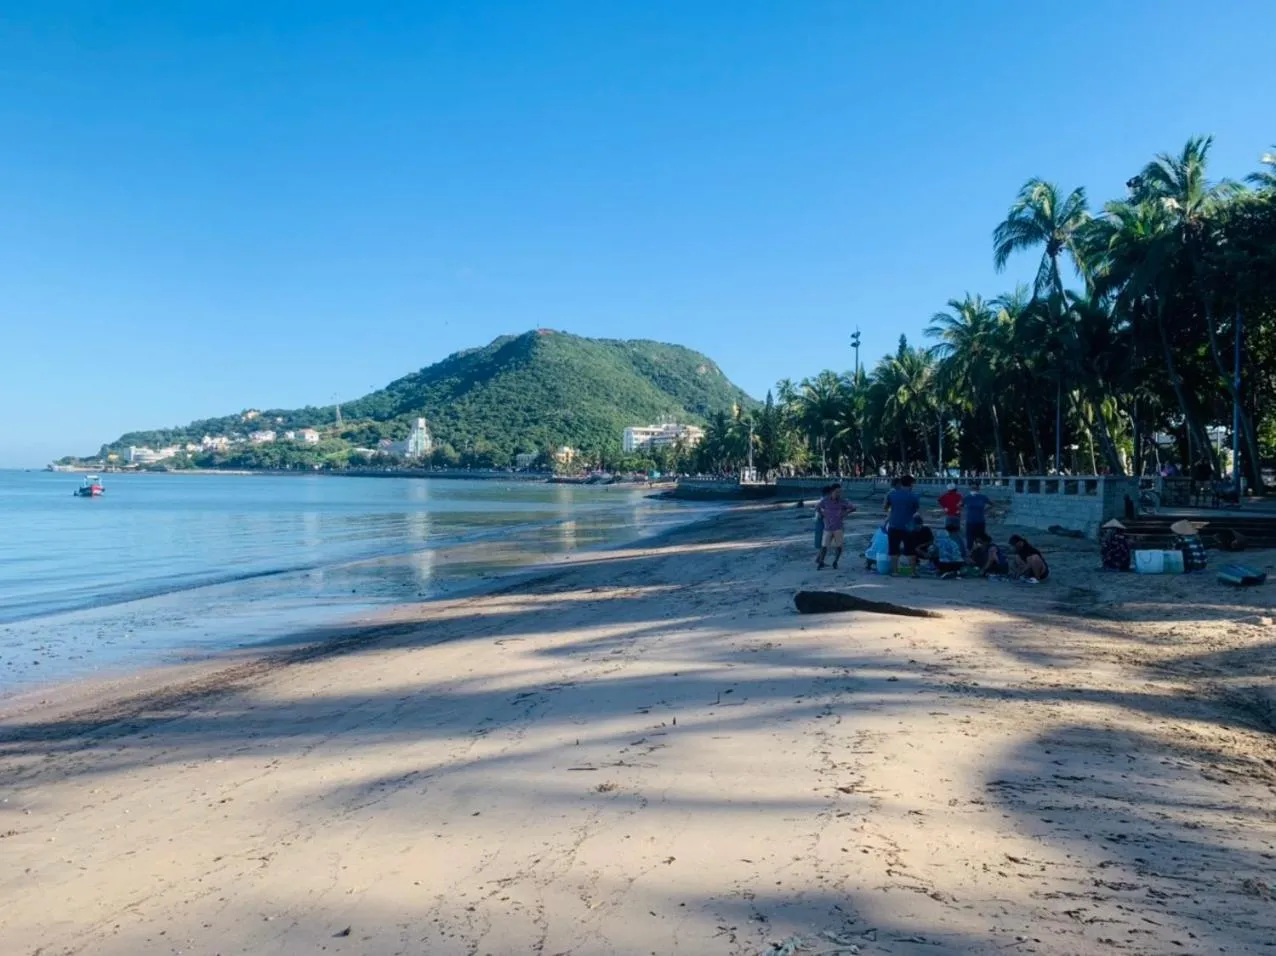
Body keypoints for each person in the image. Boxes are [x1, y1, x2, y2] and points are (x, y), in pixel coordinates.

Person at [884, 475, 921, 574]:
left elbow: (886, 508)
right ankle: (913, 573)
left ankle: (895, 572)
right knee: (910, 550)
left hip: (893, 525)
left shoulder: (891, 495)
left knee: (894, 550)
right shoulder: (914, 496)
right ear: (911, 484)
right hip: (908, 527)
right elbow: (916, 511)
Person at [815, 483, 857, 570]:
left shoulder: (842, 501)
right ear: (831, 492)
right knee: (824, 546)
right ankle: (821, 561)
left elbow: (853, 507)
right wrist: (823, 514)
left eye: (840, 492)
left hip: (838, 527)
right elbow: (817, 507)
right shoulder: (825, 500)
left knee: (839, 546)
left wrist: (846, 513)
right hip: (828, 527)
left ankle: (835, 562)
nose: (838, 494)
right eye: (837, 492)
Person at [963, 481, 992, 551]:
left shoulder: (983, 497)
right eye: (972, 487)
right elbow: (959, 505)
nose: (974, 489)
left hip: (980, 521)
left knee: (980, 539)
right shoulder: (966, 498)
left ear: (978, 488)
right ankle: (970, 554)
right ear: (970, 488)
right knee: (969, 540)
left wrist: (985, 510)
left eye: (975, 487)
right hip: (970, 522)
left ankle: (980, 554)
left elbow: (992, 504)